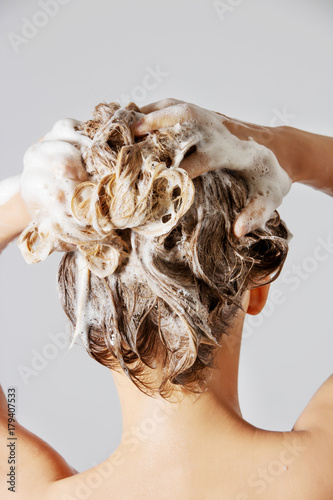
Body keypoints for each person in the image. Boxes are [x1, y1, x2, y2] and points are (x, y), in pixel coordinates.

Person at [0, 98, 332, 500]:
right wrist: (284, 151)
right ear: (257, 288)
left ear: (87, 315)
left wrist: (28, 200)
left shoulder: (24, 490)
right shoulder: (318, 470)